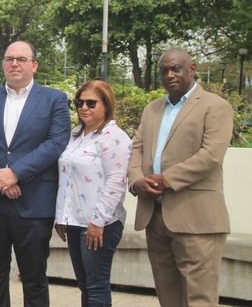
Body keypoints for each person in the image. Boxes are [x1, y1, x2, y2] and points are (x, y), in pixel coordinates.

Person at [0, 41, 70, 307]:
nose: (14, 64)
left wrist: (15, 173)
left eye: (21, 59)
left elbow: (56, 143)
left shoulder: (54, 99)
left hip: (33, 202)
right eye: (9, 58)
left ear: (34, 65)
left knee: (34, 279)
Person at [128, 48, 233, 307]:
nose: (169, 75)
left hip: (197, 219)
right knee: (168, 295)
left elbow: (210, 156)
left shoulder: (215, 106)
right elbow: (137, 149)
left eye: (176, 68)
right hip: (156, 216)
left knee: (199, 299)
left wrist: (164, 179)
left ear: (192, 68)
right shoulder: (152, 109)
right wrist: (136, 180)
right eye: (164, 70)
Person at [54, 80, 131, 307]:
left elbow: (116, 182)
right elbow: (67, 179)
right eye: (79, 102)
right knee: (85, 285)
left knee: (96, 286)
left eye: (91, 103)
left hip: (100, 224)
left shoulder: (114, 137)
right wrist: (61, 217)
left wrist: (97, 222)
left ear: (106, 105)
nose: (84, 108)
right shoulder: (76, 134)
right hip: (75, 221)